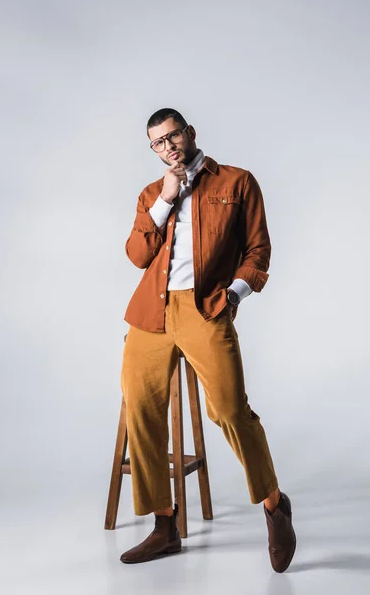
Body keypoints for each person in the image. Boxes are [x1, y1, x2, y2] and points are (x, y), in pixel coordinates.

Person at [119, 108, 296, 572]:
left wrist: (232, 295)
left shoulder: (236, 182)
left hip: (204, 308)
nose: (168, 146)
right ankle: (164, 526)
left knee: (230, 410)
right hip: (151, 312)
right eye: (158, 142)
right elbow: (137, 255)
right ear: (154, 150)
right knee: (141, 407)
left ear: (189, 132)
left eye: (172, 135)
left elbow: (258, 250)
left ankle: (275, 506)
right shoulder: (151, 193)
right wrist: (166, 199)